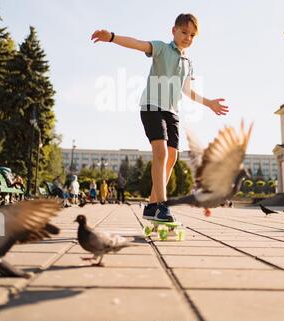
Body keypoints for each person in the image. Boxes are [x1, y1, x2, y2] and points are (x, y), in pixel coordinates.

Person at [91, 13, 229, 222]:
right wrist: (111, 36)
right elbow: (137, 44)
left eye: (192, 35)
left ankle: (151, 205)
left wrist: (208, 103)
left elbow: (187, 90)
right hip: (151, 106)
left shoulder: (188, 62)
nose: (187, 38)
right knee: (161, 151)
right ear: (173, 30)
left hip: (172, 112)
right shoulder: (162, 48)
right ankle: (161, 206)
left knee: (172, 157)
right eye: (184, 32)